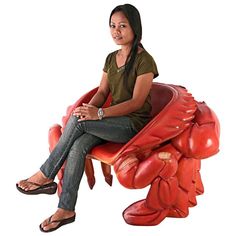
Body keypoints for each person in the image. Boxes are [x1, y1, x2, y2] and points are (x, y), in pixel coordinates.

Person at [16, 3, 158, 232]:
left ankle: (45, 174)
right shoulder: (111, 59)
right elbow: (102, 93)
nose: (116, 31)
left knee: (79, 123)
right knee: (78, 142)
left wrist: (98, 113)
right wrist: (87, 110)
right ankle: (66, 209)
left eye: (123, 26)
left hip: (134, 126)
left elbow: (136, 103)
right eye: (112, 26)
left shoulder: (145, 60)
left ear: (135, 28)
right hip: (110, 122)